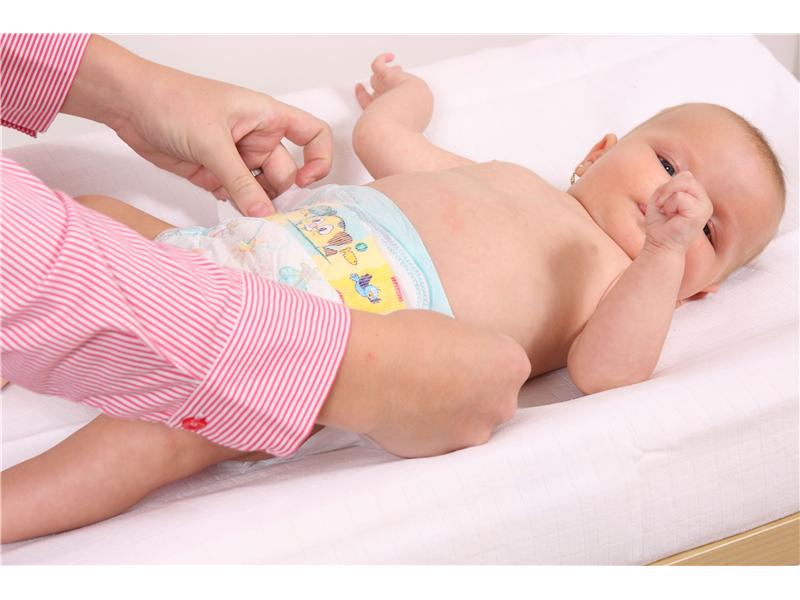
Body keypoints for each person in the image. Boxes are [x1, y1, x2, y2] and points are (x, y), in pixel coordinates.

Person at [0, 39, 533, 543]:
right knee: (93, 212)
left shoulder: (587, 273)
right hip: (230, 264)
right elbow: (384, 136)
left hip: (323, 366)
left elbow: (593, 367)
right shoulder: (506, 177)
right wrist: (408, 93)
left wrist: (128, 87)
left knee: (154, 442)